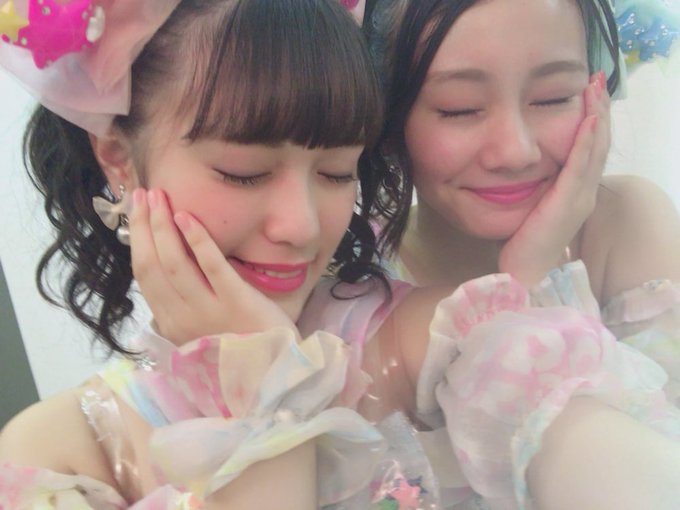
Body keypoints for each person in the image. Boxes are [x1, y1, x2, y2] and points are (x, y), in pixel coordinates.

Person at [2, 0, 680, 509]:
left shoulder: (414, 340)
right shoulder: (59, 455)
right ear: (118, 159)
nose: (301, 226)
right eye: (244, 173)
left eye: (335, 173)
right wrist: (259, 385)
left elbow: (573, 428)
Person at [367, 0, 680, 404]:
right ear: (385, 119)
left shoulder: (627, 220)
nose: (515, 152)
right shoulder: (356, 287)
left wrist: (536, 272)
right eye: (459, 108)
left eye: (553, 98)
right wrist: (526, 281)